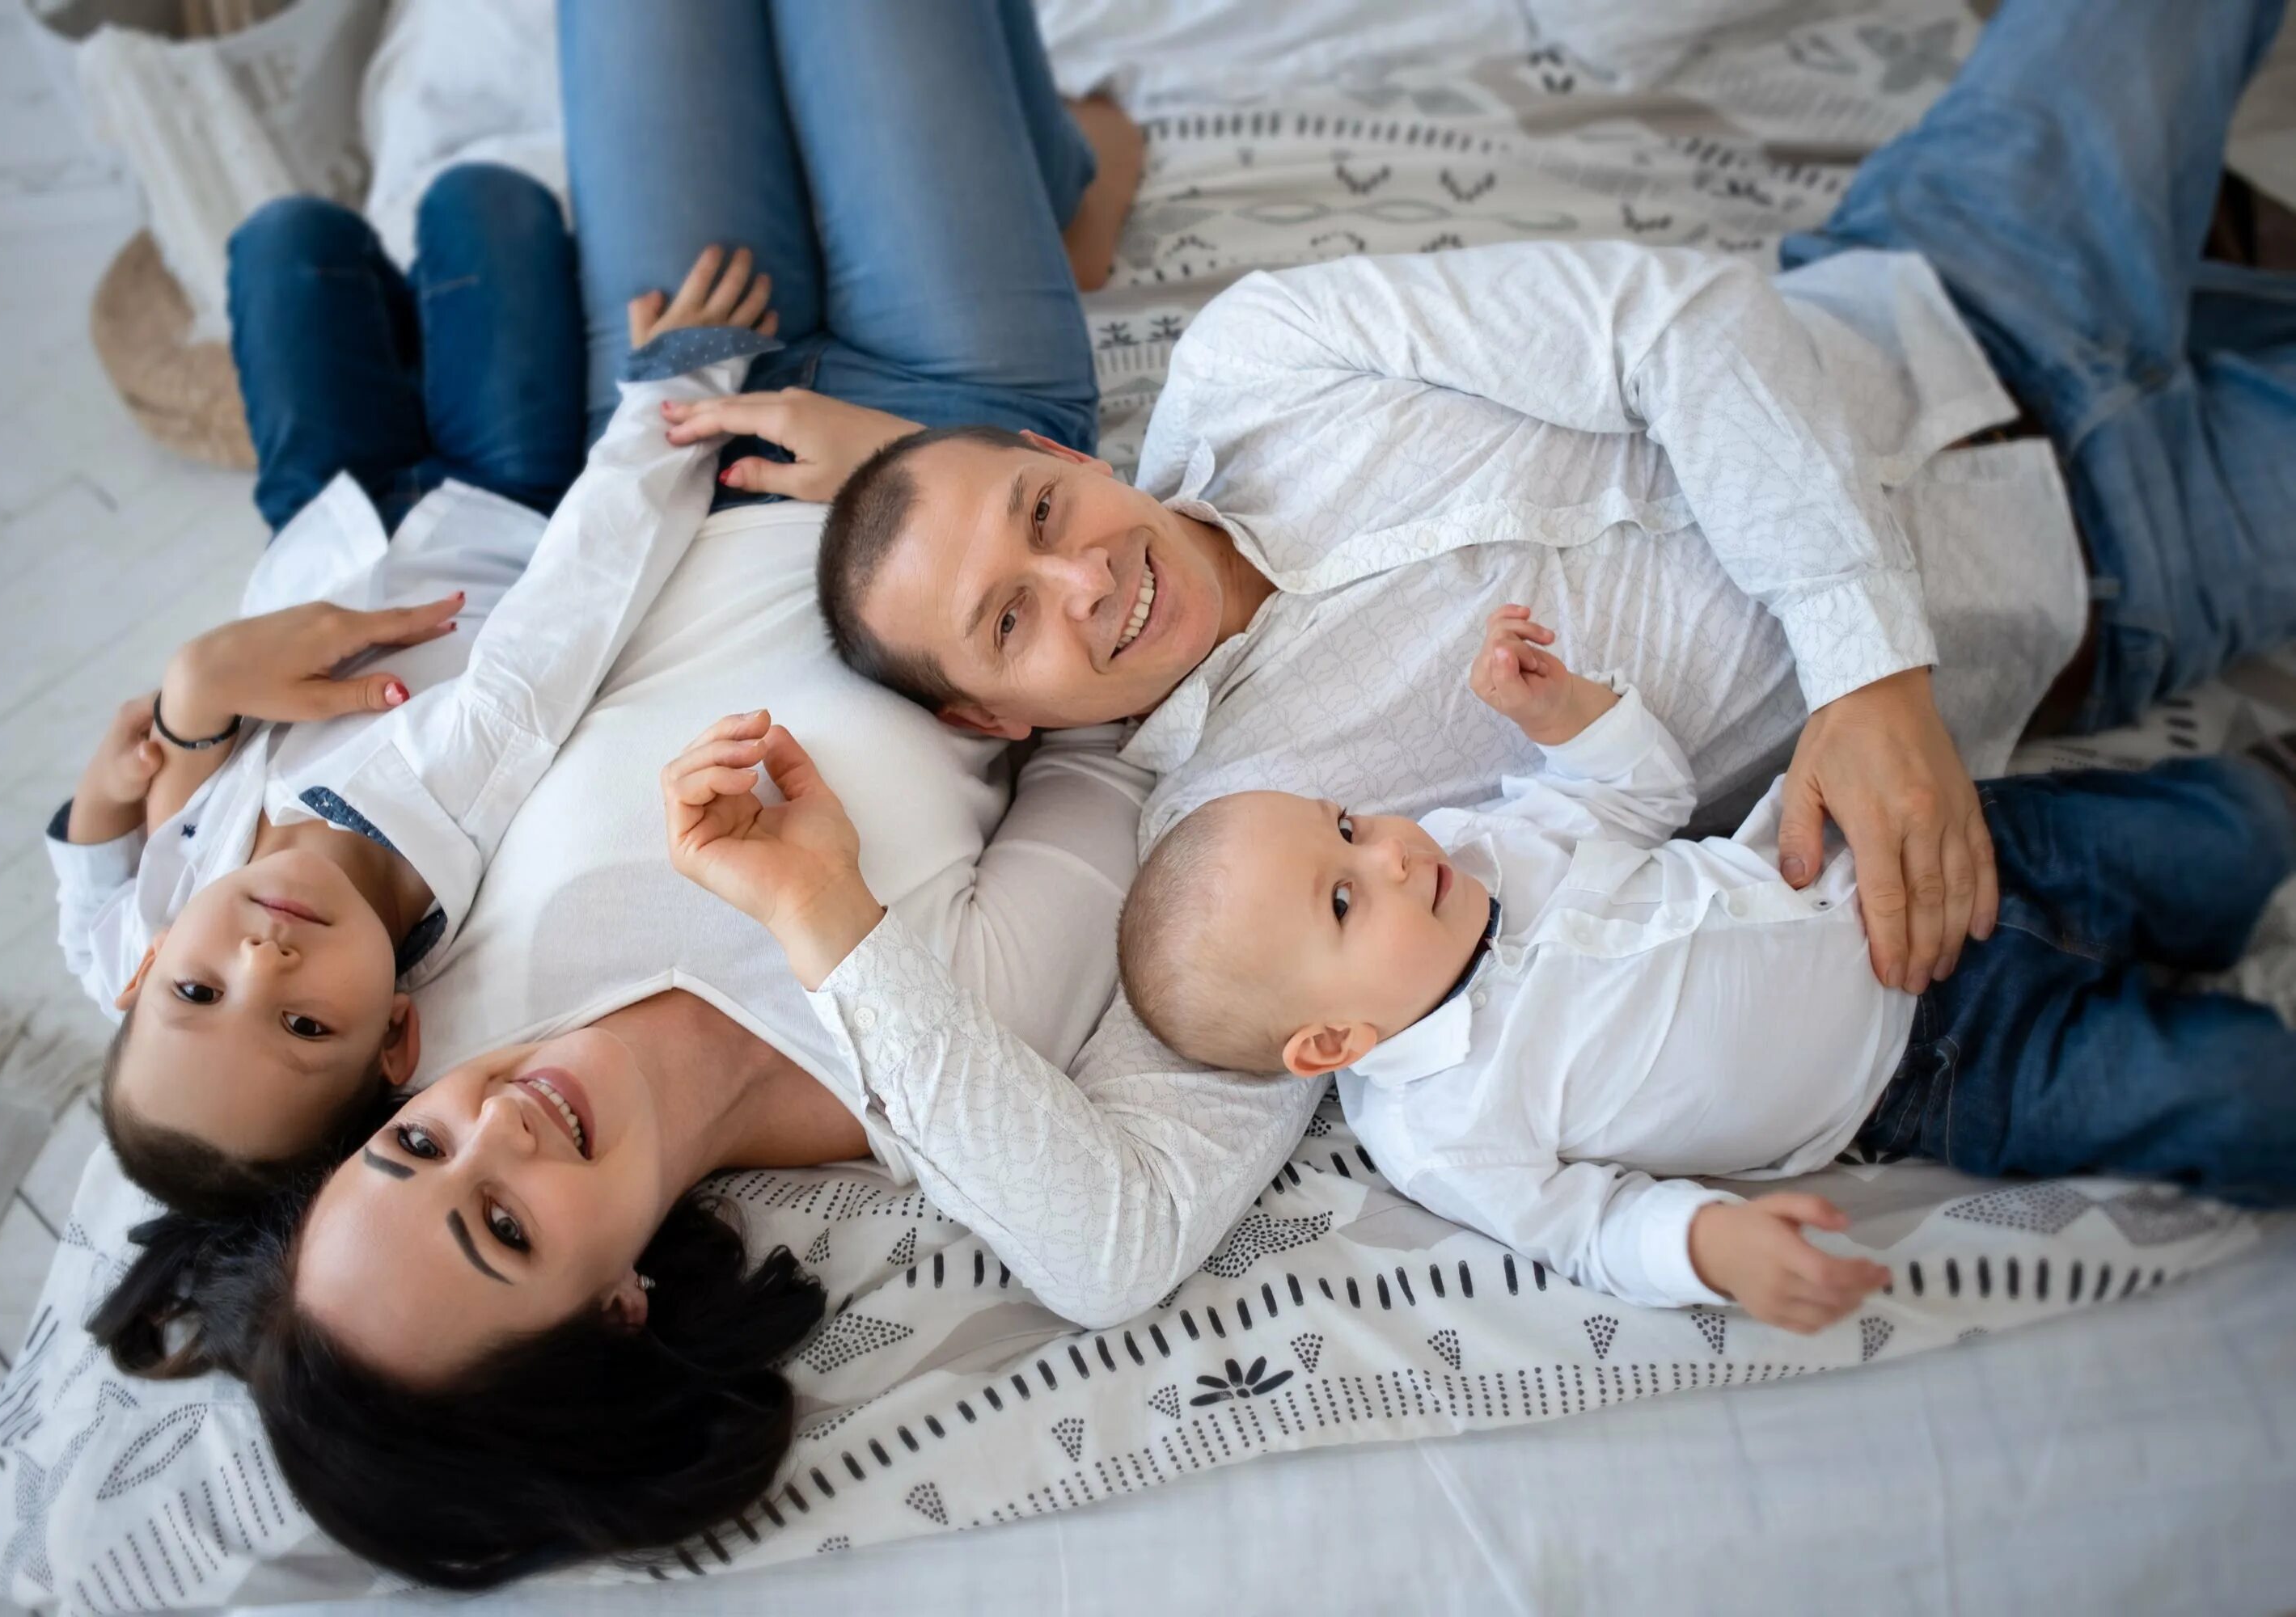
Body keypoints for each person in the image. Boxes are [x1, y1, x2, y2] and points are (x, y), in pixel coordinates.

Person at [626, 0, 2296, 1328]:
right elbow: (1109, 1249)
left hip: (1943, 282)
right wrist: (823, 925)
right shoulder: (1237, 853)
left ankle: (2210, 256)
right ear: (995, 719)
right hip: (2097, 576)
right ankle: (2229, 270)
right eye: (1011, 619)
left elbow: (1678, 323)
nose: (1088, 574)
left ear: (1060, 454)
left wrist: (1863, 676)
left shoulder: (1258, 354)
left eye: (1046, 505)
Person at [85, 0, 1160, 1590]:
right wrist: (896, 464)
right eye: (504, 1229)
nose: (490, 1134)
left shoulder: (399, 1009)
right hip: (950, 437)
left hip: (671, 419)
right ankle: (1048, 190)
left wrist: (171, 727)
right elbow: (1108, 758)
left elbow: (164, 1010)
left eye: (411, 1154)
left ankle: (1050, 171)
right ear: (616, 1315)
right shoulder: (920, 1078)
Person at [1107, 604, 2296, 1332]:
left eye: (1349, 824)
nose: (1396, 848)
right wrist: (1704, 1249)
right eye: (1343, 895)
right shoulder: (1442, 1126)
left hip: (1905, 860)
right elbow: (1588, 1227)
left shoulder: (1483, 847)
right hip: (1934, 1067)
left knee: (2208, 836)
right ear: (1331, 1043)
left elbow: (1637, 798)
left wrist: (1570, 714)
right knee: (2222, 1089)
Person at [47, 164, 779, 1217]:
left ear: (147, 971)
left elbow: (83, 924)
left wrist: (113, 787)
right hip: (501, 500)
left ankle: (360, 256)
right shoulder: (452, 798)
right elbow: (580, 599)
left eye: (198, 991)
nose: (264, 960)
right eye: (304, 1026)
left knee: (284, 242)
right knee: (484, 203)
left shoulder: (139, 935)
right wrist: (681, 384)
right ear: (397, 1033)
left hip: (327, 526)